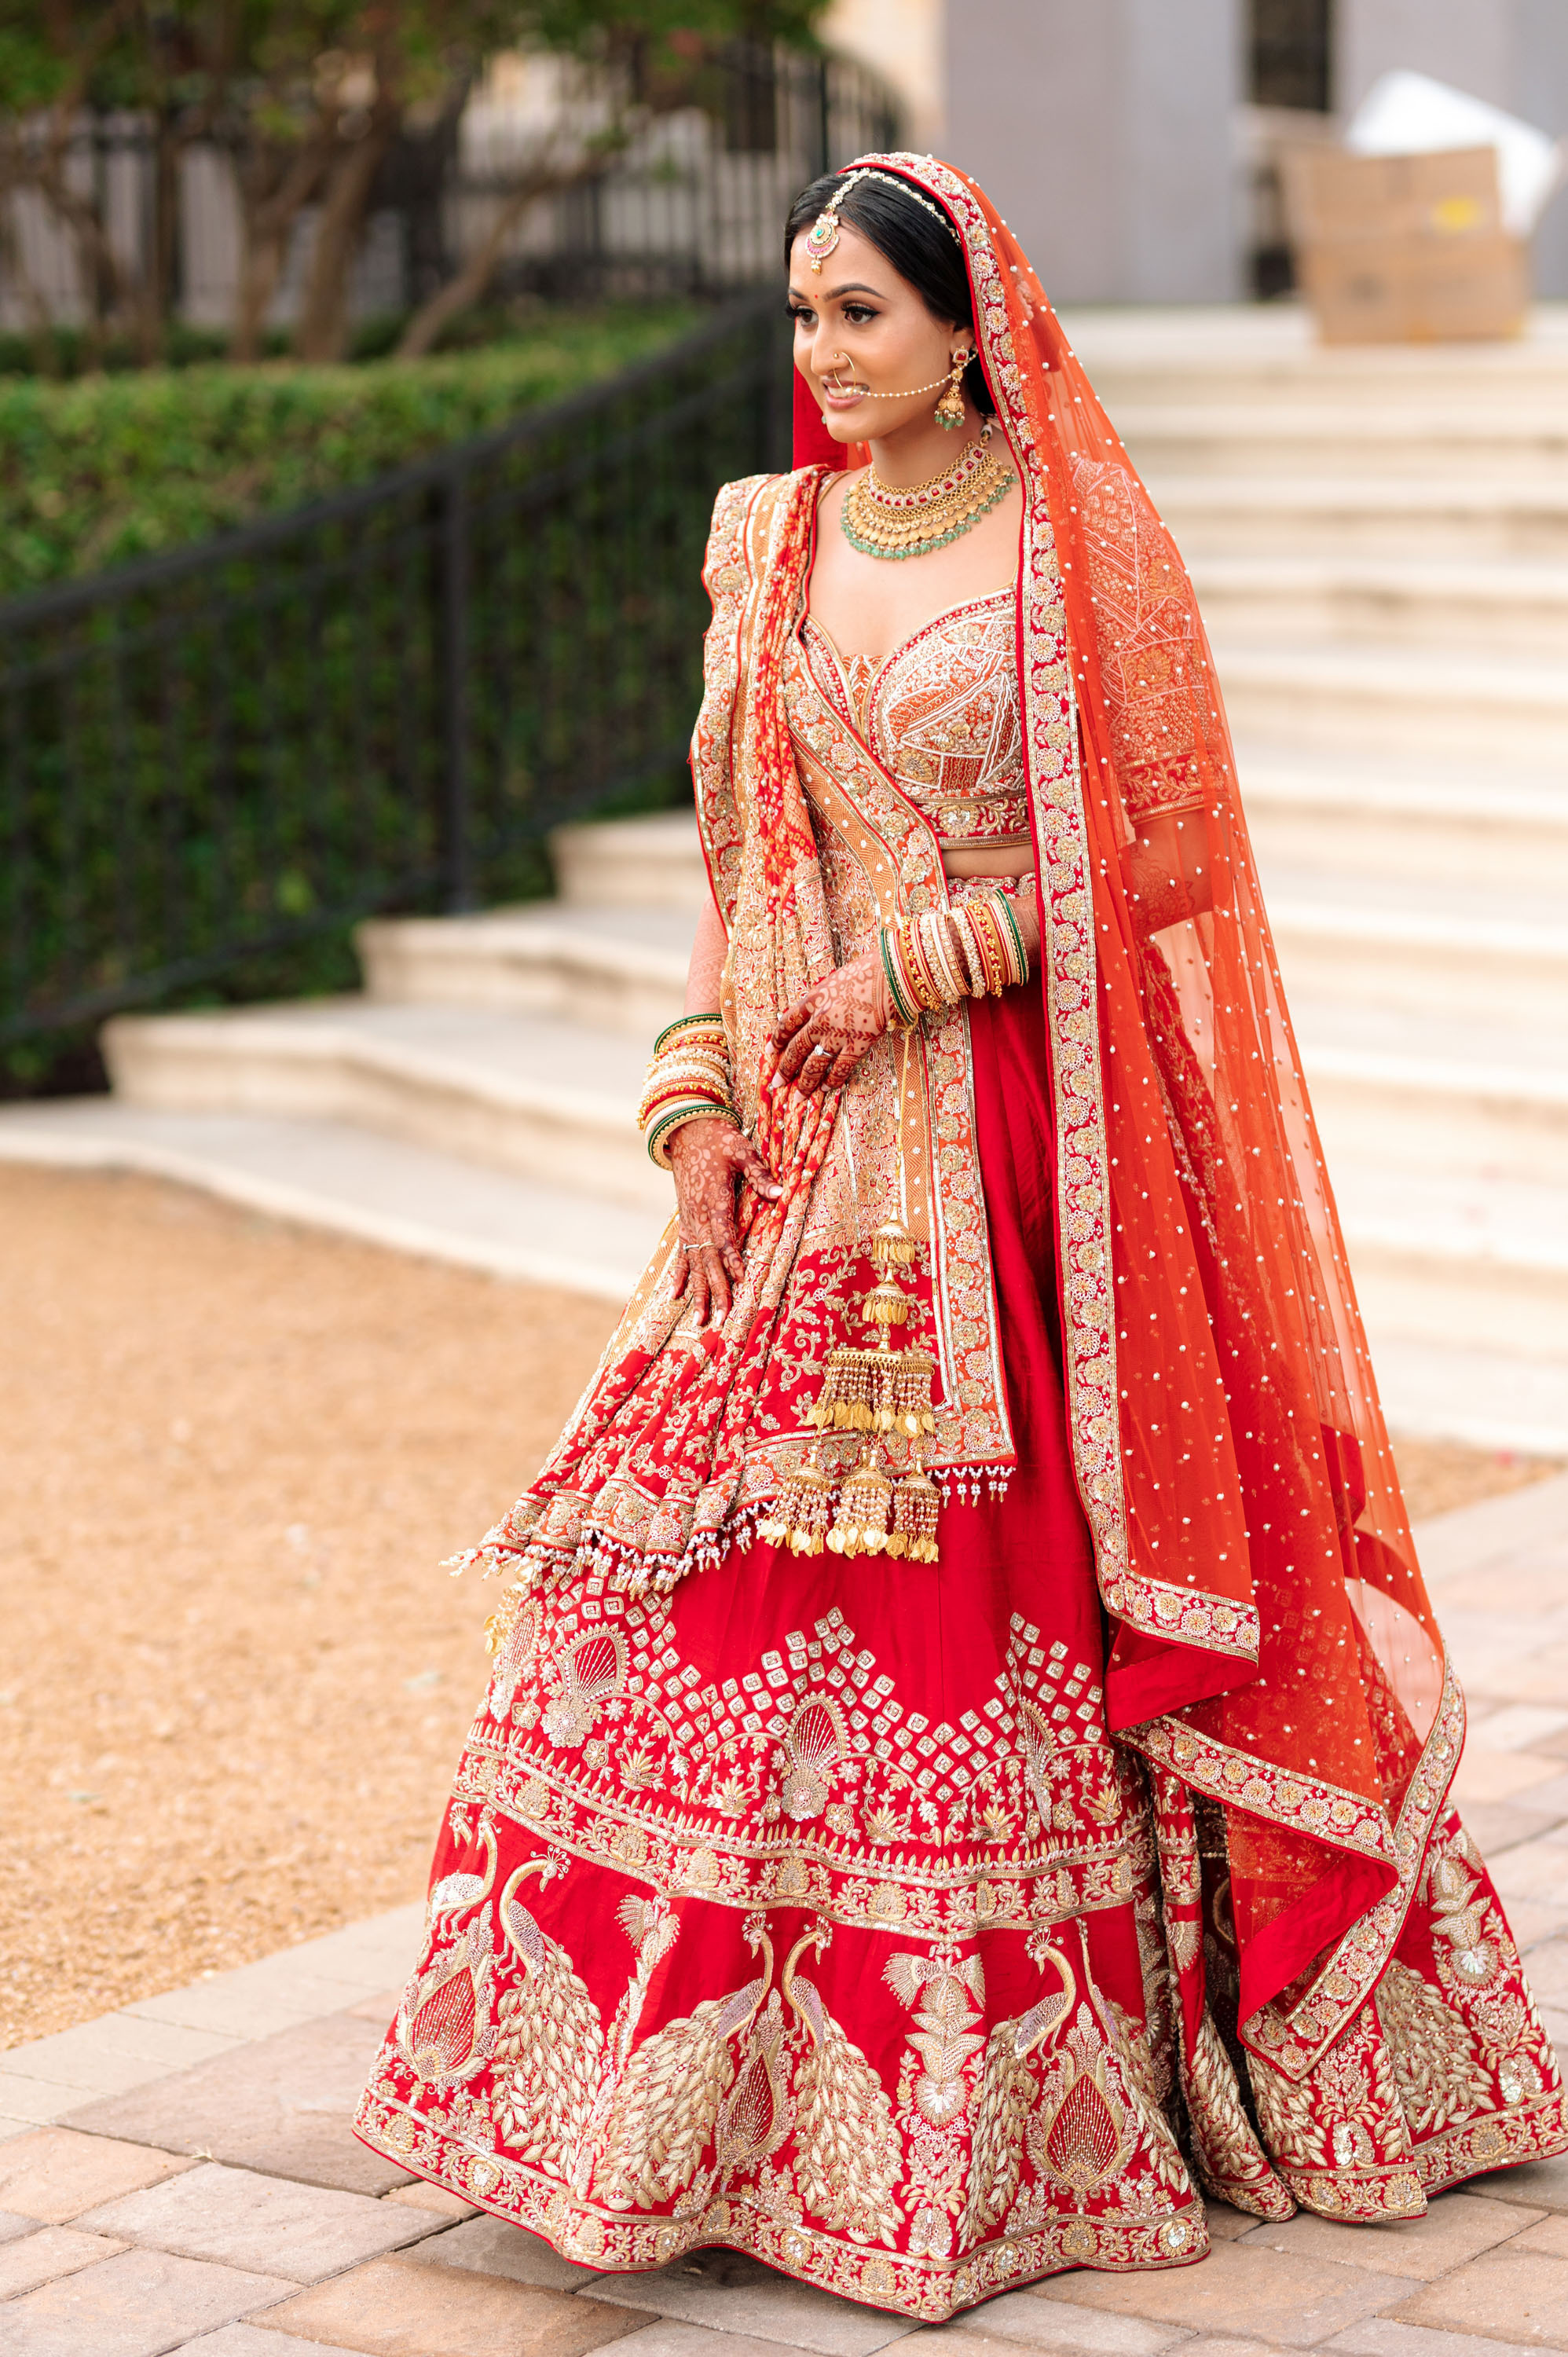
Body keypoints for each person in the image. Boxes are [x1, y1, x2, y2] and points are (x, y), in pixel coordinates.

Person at [355, 155, 1566, 2319]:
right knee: (700, 1578)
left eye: (861, 316)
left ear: (962, 325)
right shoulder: (766, 536)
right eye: (802, 315)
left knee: (985, 1587)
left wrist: (927, 961)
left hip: (1031, 1148)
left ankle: (1004, 2112)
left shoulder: (1074, 538)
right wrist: (693, 1096)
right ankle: (661, 2109)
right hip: (806, 1141)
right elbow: (740, 863)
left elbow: (1174, 855)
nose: (820, 355)